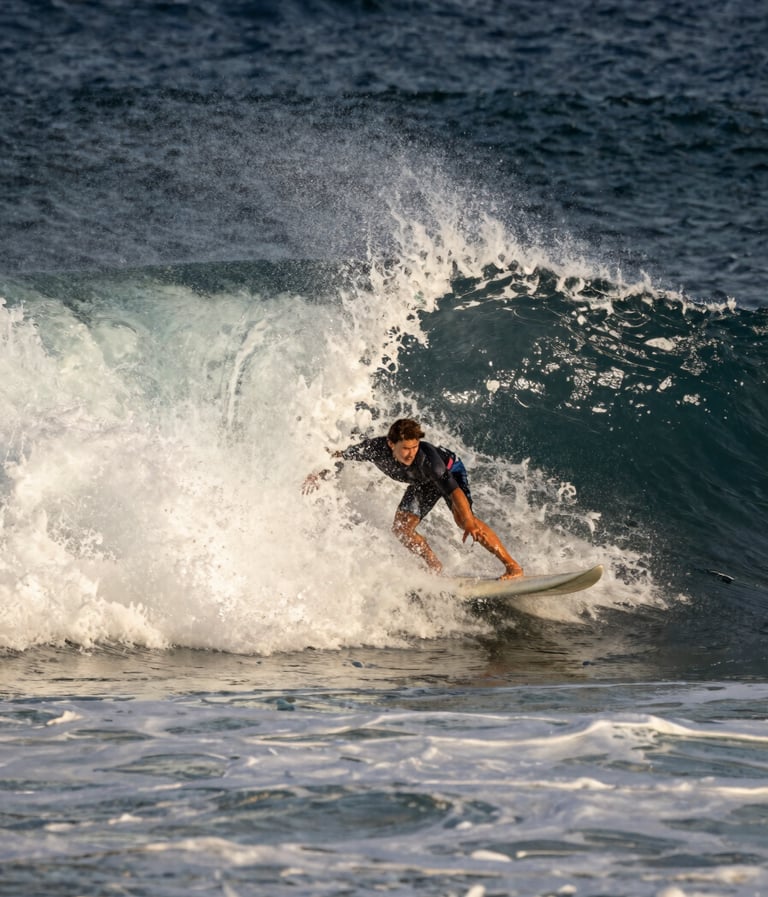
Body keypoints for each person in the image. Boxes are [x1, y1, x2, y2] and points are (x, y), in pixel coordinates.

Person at [302, 418, 524, 580]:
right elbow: (340, 454)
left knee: (464, 520)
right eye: (406, 448)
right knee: (401, 529)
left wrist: (467, 520)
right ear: (391, 444)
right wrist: (317, 473)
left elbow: (454, 490)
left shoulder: (429, 460)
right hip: (421, 482)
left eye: (415, 447)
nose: (411, 453)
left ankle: (512, 567)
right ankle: (435, 568)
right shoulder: (374, 449)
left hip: (450, 472)